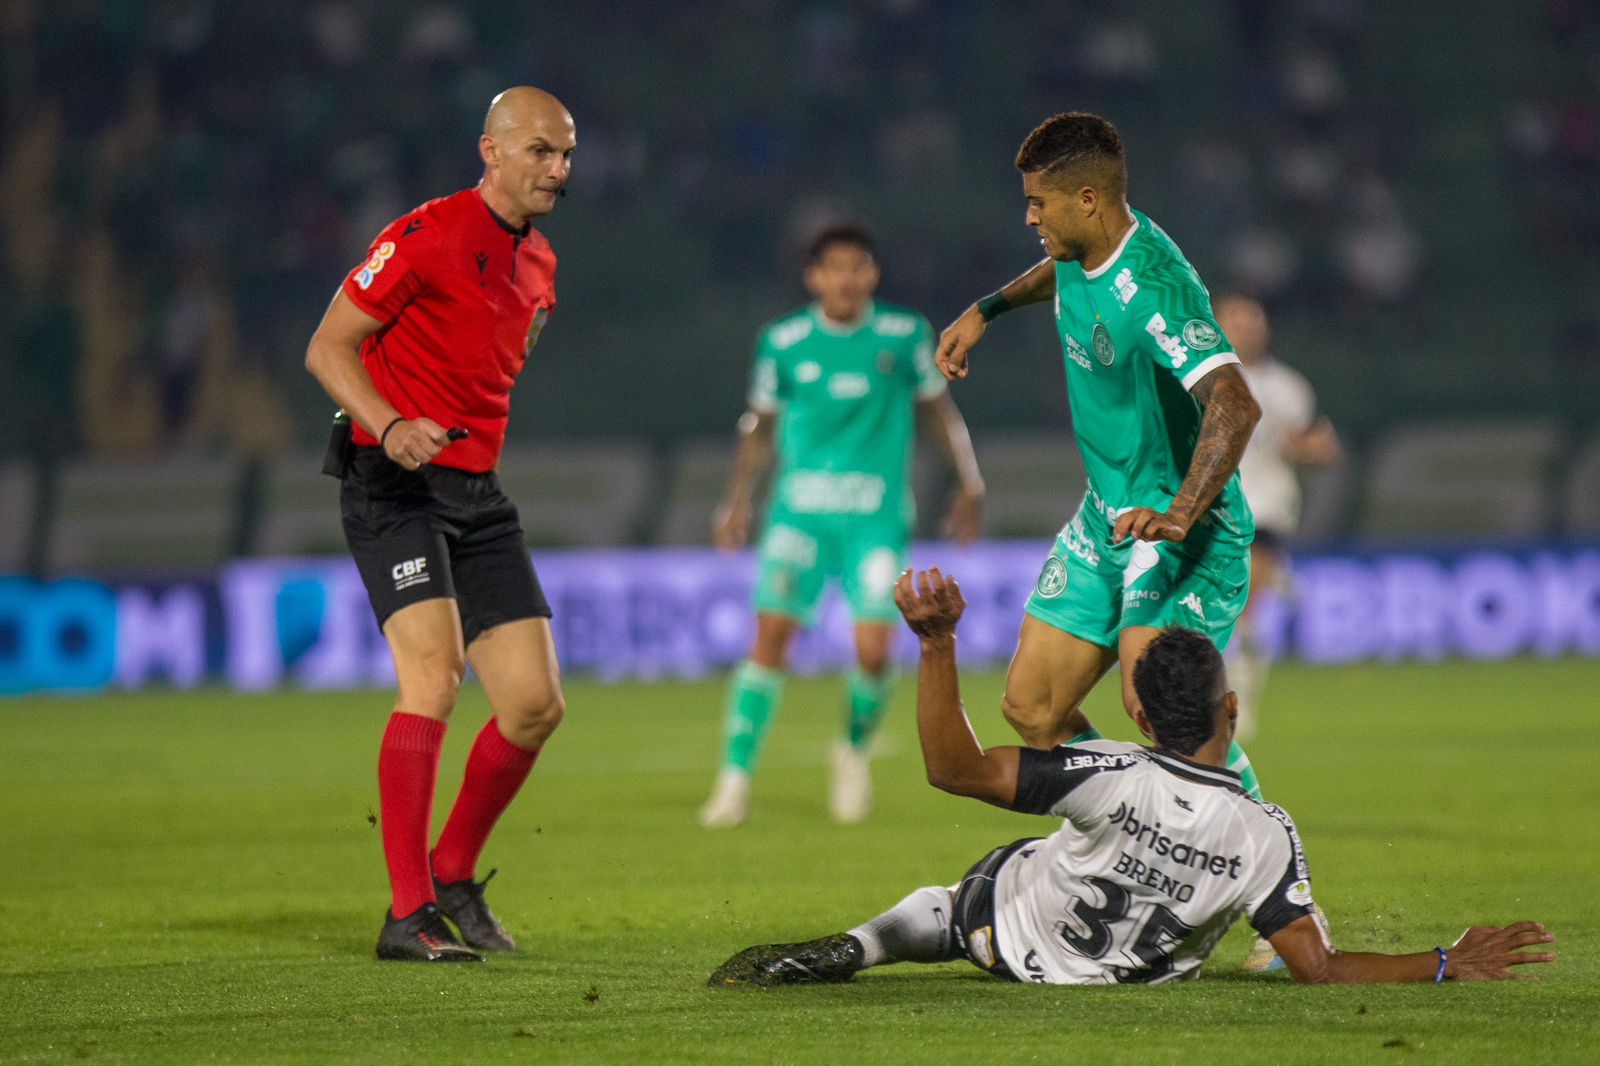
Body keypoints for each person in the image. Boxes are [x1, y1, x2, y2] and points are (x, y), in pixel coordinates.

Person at [710, 568, 1555, 987]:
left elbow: (951, 768)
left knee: (976, 885)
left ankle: (866, 945)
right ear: (1231, 711)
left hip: (1003, 945)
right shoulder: (1266, 831)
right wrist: (1444, 961)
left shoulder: (1105, 770)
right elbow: (1320, 969)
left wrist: (935, 646)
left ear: (1143, 720)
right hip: (1125, 979)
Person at [304, 87, 575, 962]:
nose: (557, 170)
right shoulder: (424, 234)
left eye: (566, 155)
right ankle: (407, 912)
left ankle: (452, 873)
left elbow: (495, 364)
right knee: (433, 677)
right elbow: (328, 347)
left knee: (534, 707)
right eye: (540, 151)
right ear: (490, 150)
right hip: (393, 478)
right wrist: (389, 424)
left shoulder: (542, 266)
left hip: (475, 492)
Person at [933, 112, 1267, 798]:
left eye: (1038, 202)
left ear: (1087, 199)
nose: (1029, 218)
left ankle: (1262, 857)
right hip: (1107, 518)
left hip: (1184, 532)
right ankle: (1137, 828)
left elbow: (1236, 403)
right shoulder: (1081, 250)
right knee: (1033, 708)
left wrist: (1179, 513)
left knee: (1162, 711)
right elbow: (1062, 273)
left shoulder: (1155, 287)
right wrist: (988, 308)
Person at [699, 223, 986, 828]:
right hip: (798, 516)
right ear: (814, 278)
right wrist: (737, 500)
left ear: (873, 274)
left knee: (874, 650)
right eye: (835, 268)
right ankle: (733, 780)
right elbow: (760, 425)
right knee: (770, 638)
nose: (847, 279)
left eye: (858, 267)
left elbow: (938, 409)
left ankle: (852, 752)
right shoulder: (783, 342)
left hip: (875, 519)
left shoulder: (903, 335)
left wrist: (969, 479)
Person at [1214, 295, 1341, 743]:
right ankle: (1222, 696)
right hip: (1209, 506)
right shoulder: (1199, 378)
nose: (1245, 330)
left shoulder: (1287, 387)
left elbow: (1320, 445)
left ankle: (1239, 703)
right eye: (1236, 322)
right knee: (1214, 612)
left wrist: (1307, 449)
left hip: (1265, 504)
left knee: (1245, 609)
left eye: (1252, 322)